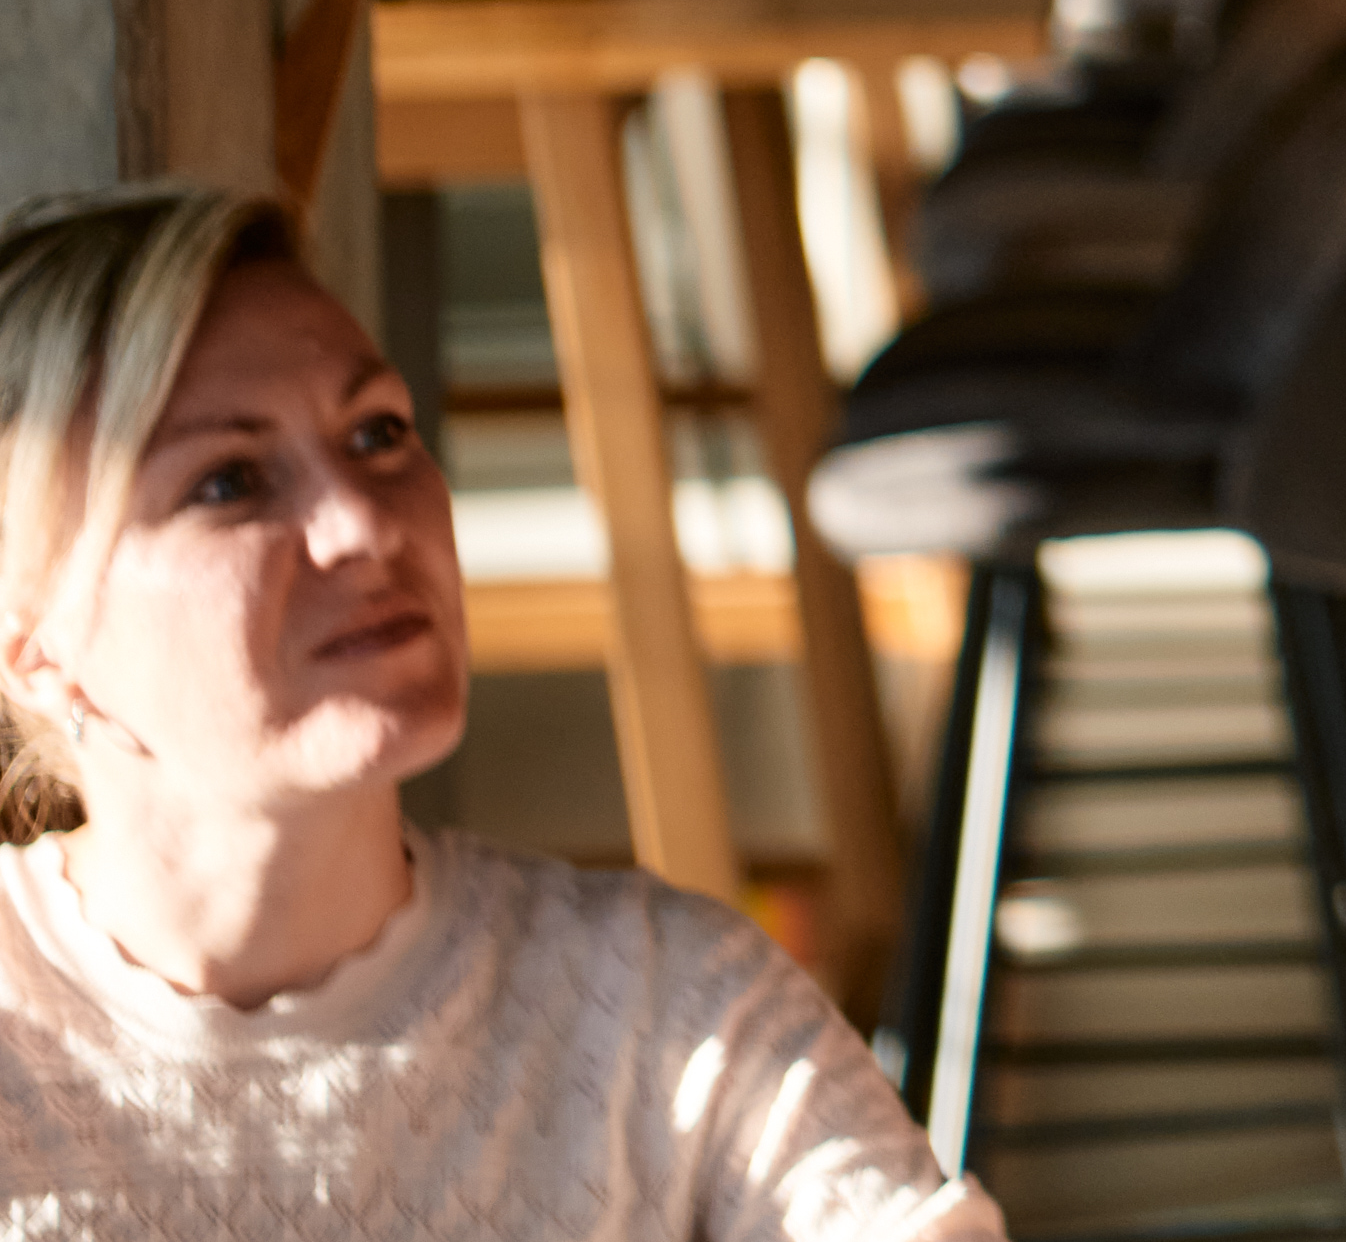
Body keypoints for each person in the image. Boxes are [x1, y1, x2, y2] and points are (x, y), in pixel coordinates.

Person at [0, 183, 1000, 1238]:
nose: (362, 524)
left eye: (378, 431)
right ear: (40, 654)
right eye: (229, 481)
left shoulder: (666, 1016)